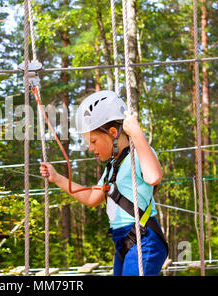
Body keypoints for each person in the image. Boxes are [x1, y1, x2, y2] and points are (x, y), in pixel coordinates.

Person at [39, 90, 168, 276]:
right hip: (125, 242)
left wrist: (137, 133)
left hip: (144, 239)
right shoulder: (112, 168)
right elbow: (92, 197)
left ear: (113, 133)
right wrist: (57, 178)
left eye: (93, 141)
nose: (91, 148)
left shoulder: (138, 154)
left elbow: (154, 176)